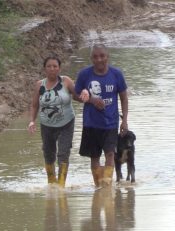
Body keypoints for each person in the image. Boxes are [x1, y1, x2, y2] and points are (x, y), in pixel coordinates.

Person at [75, 43, 129, 187]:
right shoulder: (84, 74)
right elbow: (75, 94)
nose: (99, 60)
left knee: (110, 153)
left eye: (102, 56)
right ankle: (98, 186)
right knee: (94, 157)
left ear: (107, 57)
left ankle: (106, 186)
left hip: (111, 123)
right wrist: (91, 100)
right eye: (95, 57)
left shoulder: (116, 74)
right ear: (91, 58)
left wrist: (125, 121)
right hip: (91, 123)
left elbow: (124, 97)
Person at [28, 55, 81, 187]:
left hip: (66, 123)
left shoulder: (66, 81)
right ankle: (52, 183)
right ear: (44, 69)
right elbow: (35, 105)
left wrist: (85, 95)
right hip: (47, 125)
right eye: (49, 66)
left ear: (59, 68)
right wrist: (32, 121)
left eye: (55, 66)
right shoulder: (40, 85)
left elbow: (77, 96)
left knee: (63, 152)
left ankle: (61, 185)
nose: (52, 69)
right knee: (48, 153)